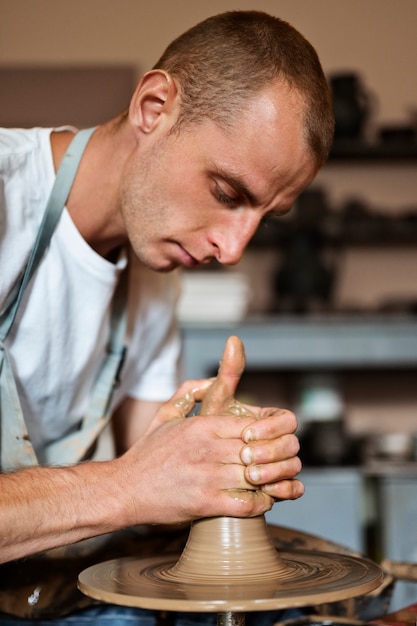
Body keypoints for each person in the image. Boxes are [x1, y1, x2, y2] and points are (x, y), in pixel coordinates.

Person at [0, 8, 334, 625]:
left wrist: (218, 456)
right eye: (228, 194)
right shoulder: (5, 201)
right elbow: (133, 484)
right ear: (154, 108)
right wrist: (131, 484)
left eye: (265, 216)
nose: (233, 250)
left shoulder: (155, 282)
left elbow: (151, 493)